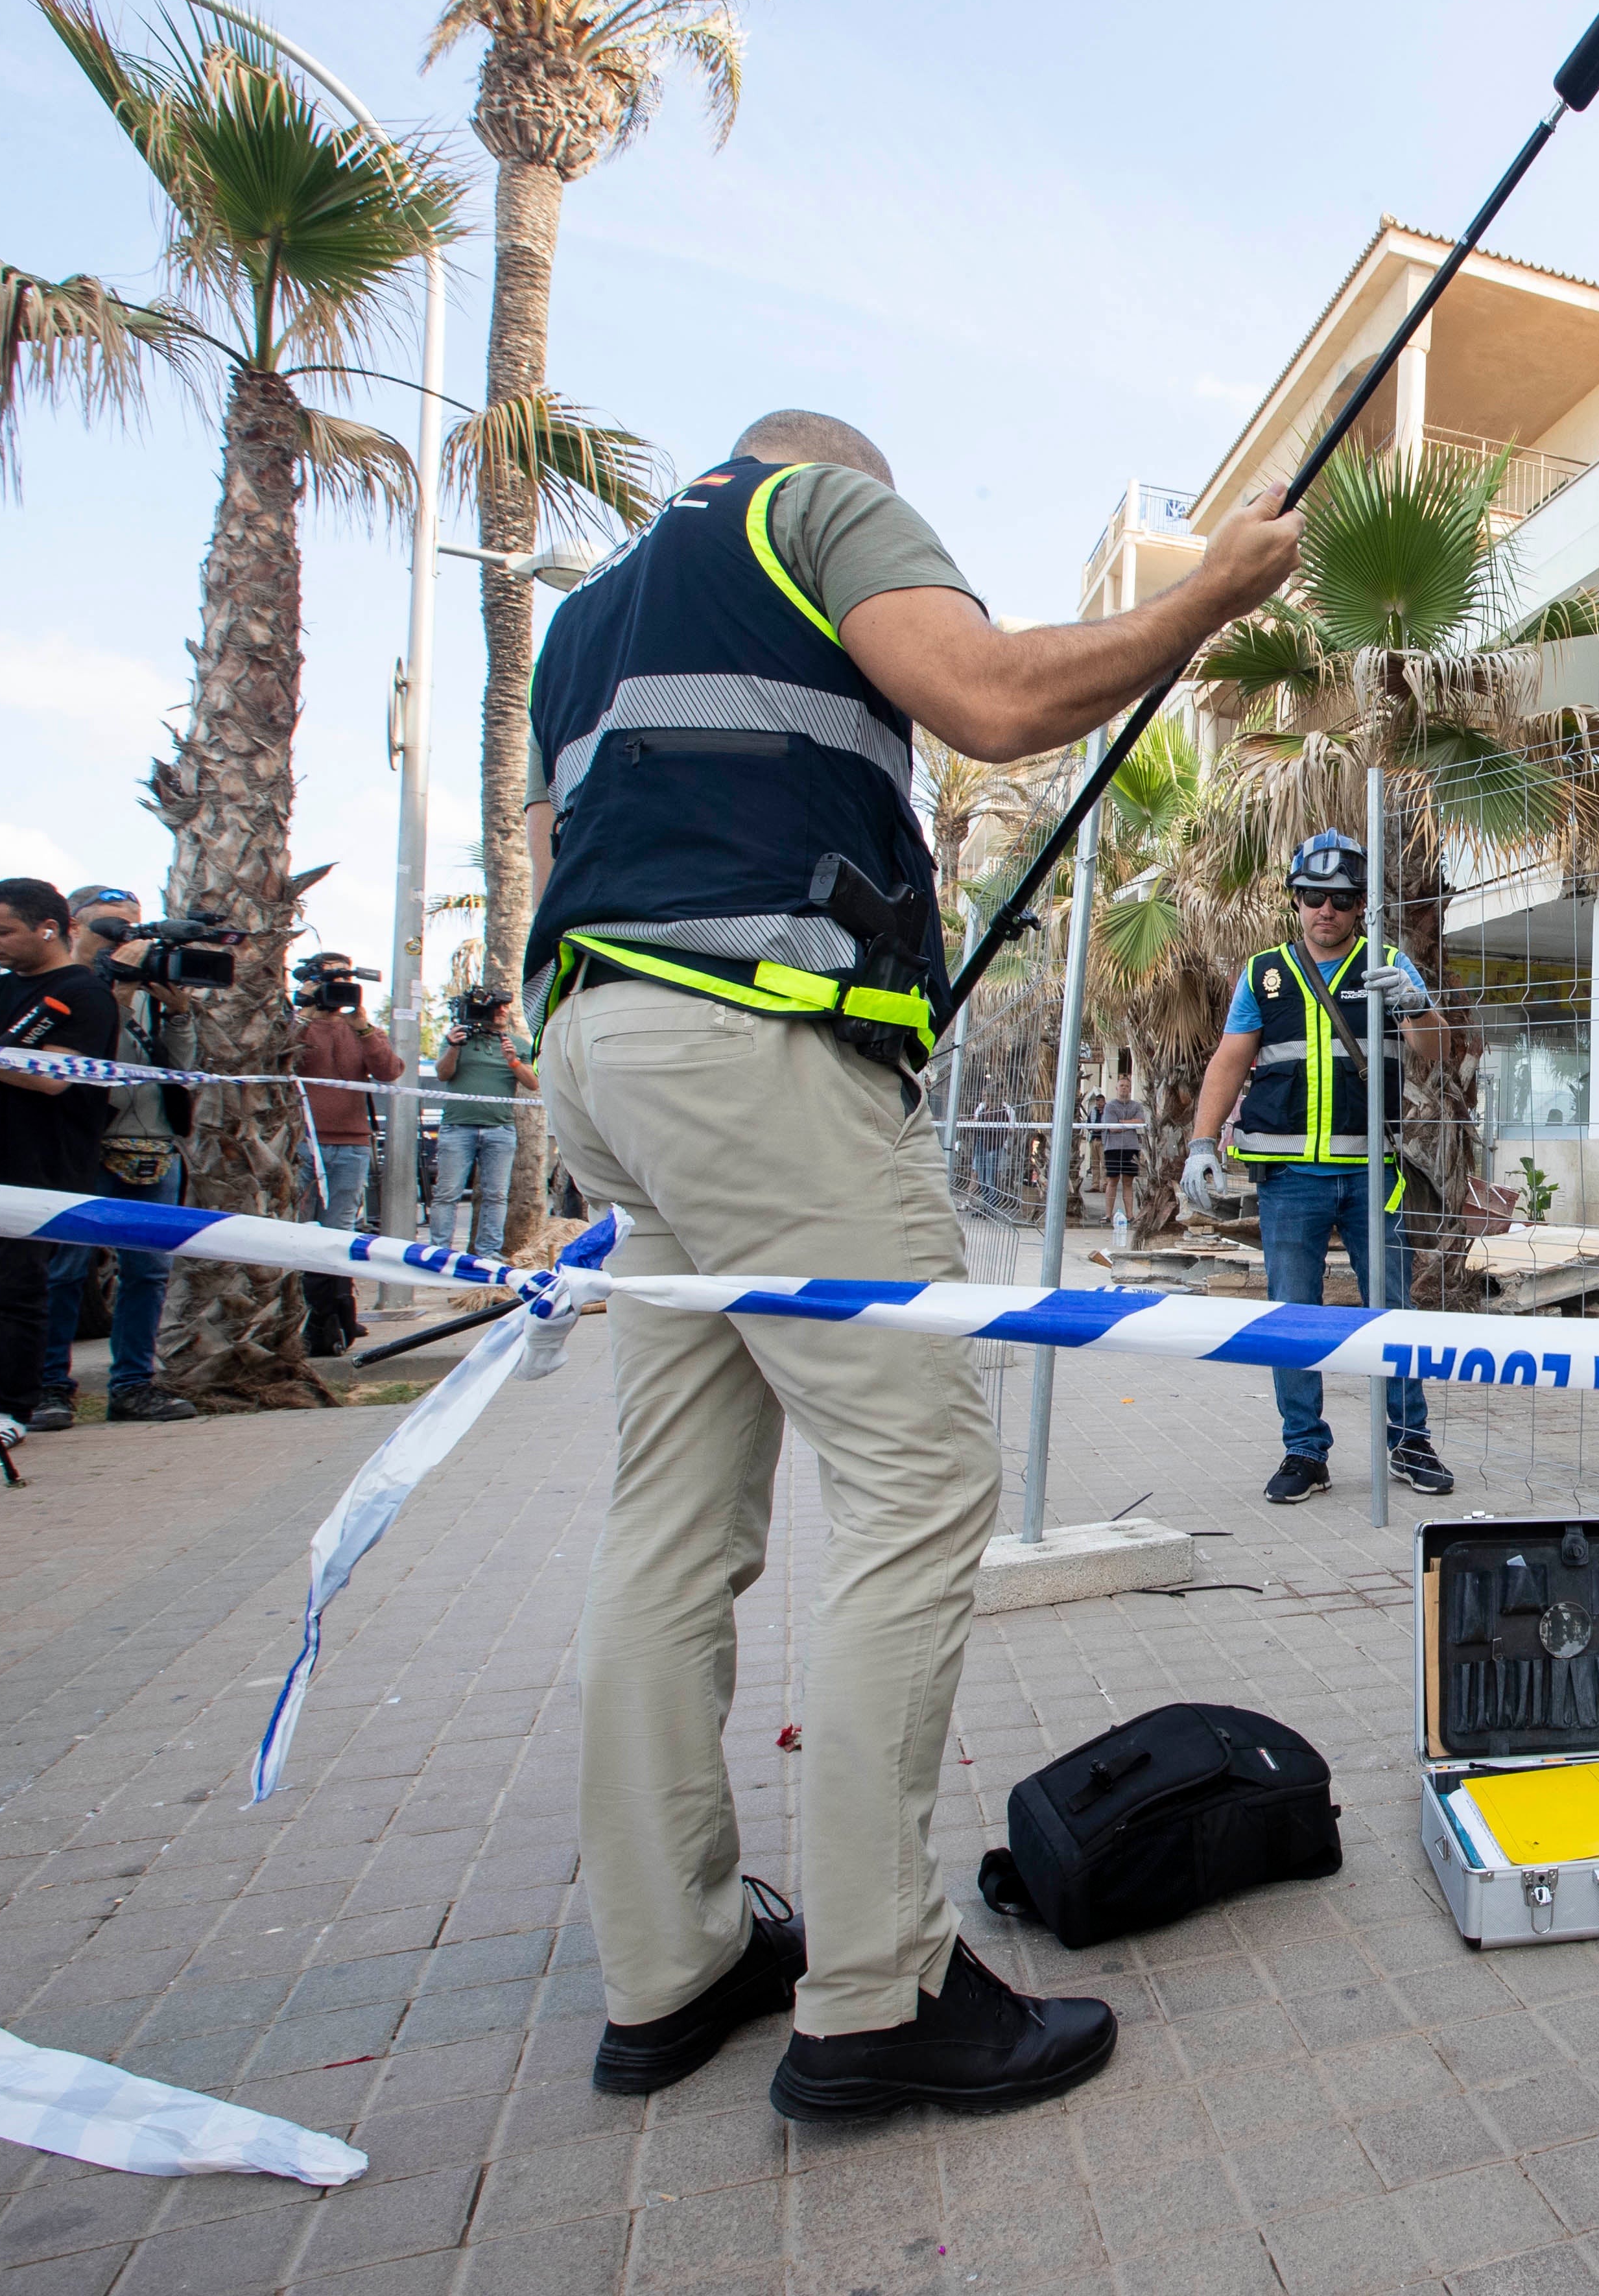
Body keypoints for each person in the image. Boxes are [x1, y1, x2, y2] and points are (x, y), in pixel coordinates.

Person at [519, 408, 1299, 2119]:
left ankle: (673, 1968)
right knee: (916, 1480)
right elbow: (1001, 700)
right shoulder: (817, 507)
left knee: (671, 1521)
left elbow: (583, 849)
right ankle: (874, 1997)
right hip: (754, 1055)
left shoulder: (586, 621)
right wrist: (1216, 594)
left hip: (606, 1052)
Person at [1181, 831, 1456, 1505]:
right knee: (1291, 1317)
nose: (1324, 910)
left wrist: (1415, 1001)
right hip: (1289, 1182)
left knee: (1391, 1310)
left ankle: (1408, 1438)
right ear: (1295, 900)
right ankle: (1305, 1449)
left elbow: (1437, 1048)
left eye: (1339, 898)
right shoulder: (1263, 973)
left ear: (1360, 904)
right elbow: (1229, 1059)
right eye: (1312, 896)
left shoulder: (1386, 963)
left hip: (1370, 1174)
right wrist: (1199, 1141)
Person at [31, 889, 200, 1428]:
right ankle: (48, 1387)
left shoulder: (148, 984)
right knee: (65, 1270)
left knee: (148, 1272)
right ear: (71, 927)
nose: (128, 939)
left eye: (135, 928)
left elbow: (183, 1069)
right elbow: (79, 1066)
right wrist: (118, 995)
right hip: (82, 1145)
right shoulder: (64, 990)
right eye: (112, 928)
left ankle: (132, 1386)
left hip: (153, 1142)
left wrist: (178, 1015)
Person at [0, 879, 119, 1450]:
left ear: (48, 928)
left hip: (36, 1168)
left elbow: (51, 1078)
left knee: (14, 1290)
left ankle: (11, 1407)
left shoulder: (84, 995)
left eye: (2, 931)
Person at [293, 949, 404, 1354]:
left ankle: (339, 1319)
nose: (337, 986)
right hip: (306, 1143)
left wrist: (361, 1025)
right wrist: (306, 1010)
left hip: (352, 1143)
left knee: (340, 1234)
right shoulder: (299, 1024)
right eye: (330, 978)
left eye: (345, 978)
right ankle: (312, 1321)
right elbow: (279, 1057)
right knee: (303, 1233)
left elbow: (390, 1070)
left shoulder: (360, 1027)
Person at [427, 986, 536, 1260]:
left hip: (499, 1130)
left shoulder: (517, 1044)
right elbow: (443, 1074)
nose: (503, 1012)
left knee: (496, 1195)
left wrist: (513, 1062)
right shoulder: (457, 1038)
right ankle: (440, 1252)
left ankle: (488, 1252)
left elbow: (533, 1083)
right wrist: (454, 1047)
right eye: (497, 1006)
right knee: (447, 1194)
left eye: (506, 1007)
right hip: (457, 1127)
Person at [1098, 1059, 1146, 1230]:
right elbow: (1112, 1128)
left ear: (1130, 1088)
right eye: (1122, 1086)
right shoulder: (1110, 1106)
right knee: (1112, 1181)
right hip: (1113, 1148)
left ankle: (1130, 1215)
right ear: (1116, 1088)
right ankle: (1108, 1215)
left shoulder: (1136, 1105)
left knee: (1128, 1182)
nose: (1124, 1088)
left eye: (1127, 1086)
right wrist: (1128, 1124)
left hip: (1131, 1148)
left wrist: (1122, 1123)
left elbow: (1140, 1122)